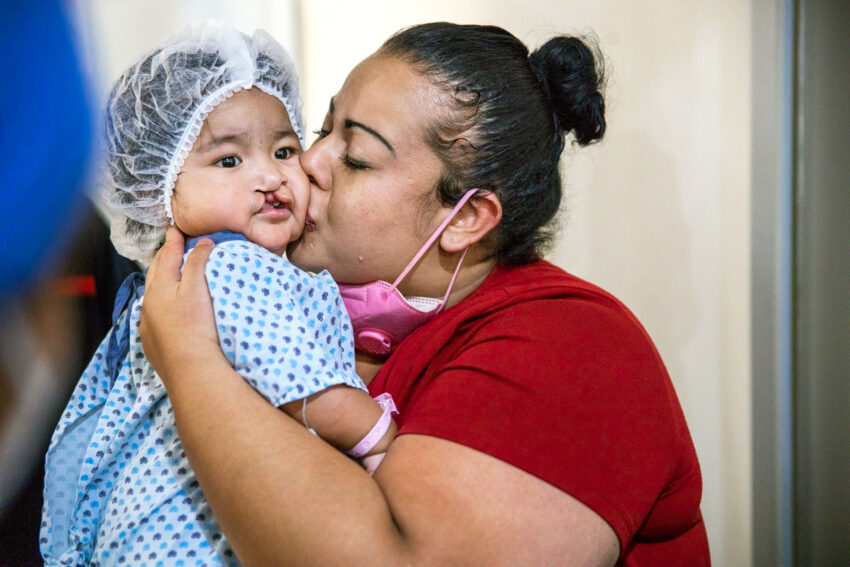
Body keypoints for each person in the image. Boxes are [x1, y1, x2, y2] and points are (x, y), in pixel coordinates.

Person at [139, 22, 711, 566]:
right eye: (321, 130)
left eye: (357, 157)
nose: (308, 163)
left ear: (466, 219)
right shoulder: (293, 300)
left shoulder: (573, 345)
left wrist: (191, 364)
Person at [40, 22, 398, 566]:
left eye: (284, 150)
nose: (270, 177)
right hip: (189, 531)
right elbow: (307, 389)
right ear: (160, 190)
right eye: (228, 161)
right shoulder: (229, 265)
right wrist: (381, 438)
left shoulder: (191, 273)